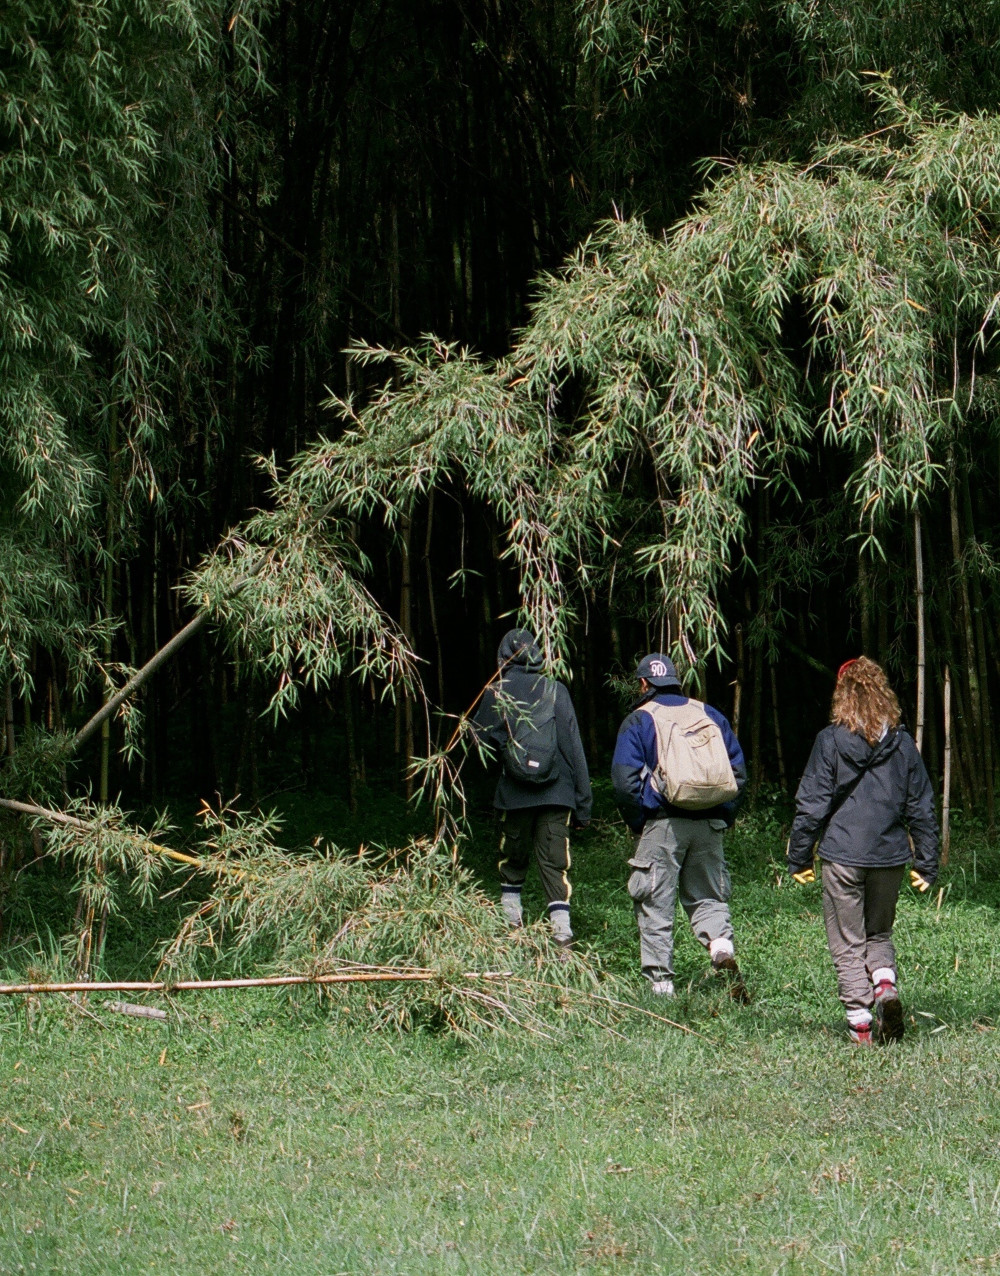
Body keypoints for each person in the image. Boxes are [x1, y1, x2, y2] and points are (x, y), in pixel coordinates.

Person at [787, 656, 939, 1046]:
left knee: (847, 942)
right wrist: (927, 863)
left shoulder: (830, 740)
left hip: (842, 857)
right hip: (889, 857)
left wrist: (800, 857)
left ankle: (861, 1029)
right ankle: (885, 987)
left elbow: (812, 803)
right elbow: (921, 806)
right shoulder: (903, 744)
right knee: (879, 933)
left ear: (842, 695)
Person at [611, 653, 748, 998]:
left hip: (664, 823)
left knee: (655, 901)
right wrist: (722, 816)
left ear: (644, 683)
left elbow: (624, 782)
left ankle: (662, 987)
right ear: (675, 679)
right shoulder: (708, 713)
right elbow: (738, 772)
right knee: (709, 897)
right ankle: (721, 950)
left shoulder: (639, 720)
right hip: (709, 822)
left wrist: (640, 822)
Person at [473, 629, 592, 949]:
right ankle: (562, 936)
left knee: (512, 860)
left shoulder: (496, 691)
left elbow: (481, 744)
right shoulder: (555, 690)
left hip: (514, 794)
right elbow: (573, 748)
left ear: (503, 657)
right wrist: (584, 803)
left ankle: (512, 930)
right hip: (558, 793)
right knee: (555, 862)